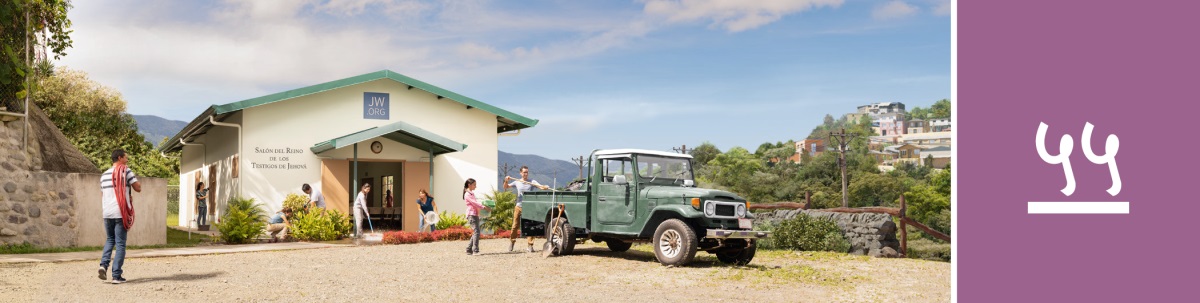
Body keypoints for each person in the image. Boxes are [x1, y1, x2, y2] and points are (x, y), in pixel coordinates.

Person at [98, 149, 141, 284]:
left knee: (110, 239)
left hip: (107, 213)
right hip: (120, 212)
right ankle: (116, 276)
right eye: (125, 157)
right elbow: (138, 188)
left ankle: (103, 265)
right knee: (120, 244)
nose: (127, 160)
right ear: (119, 158)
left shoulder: (104, 175)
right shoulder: (126, 171)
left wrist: (127, 193)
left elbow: (103, 195)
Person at [504, 166, 549, 252]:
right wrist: (506, 180)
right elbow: (506, 187)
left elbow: (540, 187)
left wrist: (545, 187)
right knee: (515, 225)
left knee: (530, 226)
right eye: (524, 172)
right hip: (519, 206)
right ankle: (512, 242)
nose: (526, 174)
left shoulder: (532, 181)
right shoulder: (517, 182)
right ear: (521, 173)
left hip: (529, 207)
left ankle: (530, 245)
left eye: (527, 172)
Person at [463, 178, 490, 255]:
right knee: (476, 232)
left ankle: (468, 249)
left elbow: (475, 203)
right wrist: (484, 207)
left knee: (476, 232)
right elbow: (474, 203)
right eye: (474, 185)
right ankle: (475, 250)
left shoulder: (471, 193)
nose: (476, 186)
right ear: (469, 185)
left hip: (475, 214)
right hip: (471, 215)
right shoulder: (467, 194)